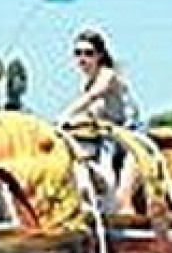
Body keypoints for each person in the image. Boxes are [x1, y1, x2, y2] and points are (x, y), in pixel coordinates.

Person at [59, 29, 142, 214]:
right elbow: (92, 112)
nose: (82, 58)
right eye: (78, 53)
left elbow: (94, 95)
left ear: (100, 55)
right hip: (106, 135)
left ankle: (117, 208)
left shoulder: (107, 75)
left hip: (129, 135)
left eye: (89, 53)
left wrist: (65, 115)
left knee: (117, 187)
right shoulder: (86, 83)